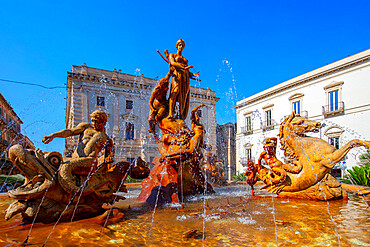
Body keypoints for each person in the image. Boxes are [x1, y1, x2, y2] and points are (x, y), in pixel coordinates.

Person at [167, 39, 199, 120]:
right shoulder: (172, 55)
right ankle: (170, 113)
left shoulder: (185, 60)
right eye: (179, 45)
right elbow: (173, 63)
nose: (181, 47)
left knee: (183, 97)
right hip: (177, 76)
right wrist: (184, 67)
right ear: (177, 46)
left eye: (182, 45)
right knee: (174, 92)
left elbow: (188, 72)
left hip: (185, 79)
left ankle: (180, 116)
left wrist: (194, 74)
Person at [148, 73, 170, 141]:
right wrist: (152, 109)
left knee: (158, 118)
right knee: (150, 120)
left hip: (163, 105)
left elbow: (168, 75)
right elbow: (150, 102)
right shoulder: (156, 91)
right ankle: (152, 132)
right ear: (161, 85)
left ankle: (162, 133)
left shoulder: (165, 86)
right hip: (155, 105)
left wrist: (171, 71)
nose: (166, 88)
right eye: (165, 86)